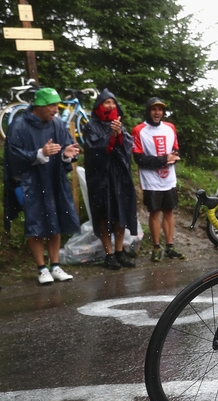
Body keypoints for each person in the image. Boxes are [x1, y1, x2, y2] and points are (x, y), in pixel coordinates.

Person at [3, 87, 80, 284]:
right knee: (35, 223)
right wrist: (40, 153)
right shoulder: (19, 125)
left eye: (56, 105)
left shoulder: (57, 124)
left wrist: (66, 154)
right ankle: (41, 268)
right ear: (39, 106)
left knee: (56, 221)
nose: (56, 109)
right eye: (52, 105)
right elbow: (13, 156)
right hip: (31, 183)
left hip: (54, 179)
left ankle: (55, 265)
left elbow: (66, 146)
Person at [82, 89, 138, 270]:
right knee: (103, 214)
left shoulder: (119, 125)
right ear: (99, 105)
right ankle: (109, 253)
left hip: (119, 178)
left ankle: (120, 251)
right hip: (100, 179)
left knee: (119, 214)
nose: (111, 106)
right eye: (107, 103)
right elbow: (93, 150)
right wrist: (111, 138)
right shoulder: (91, 126)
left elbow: (128, 149)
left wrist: (119, 136)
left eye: (113, 103)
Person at [132, 97, 186, 262]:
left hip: (168, 179)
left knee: (169, 211)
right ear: (148, 111)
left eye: (160, 110)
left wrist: (174, 157)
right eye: (154, 109)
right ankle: (156, 247)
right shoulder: (139, 130)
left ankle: (170, 245)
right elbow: (138, 158)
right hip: (151, 180)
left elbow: (175, 149)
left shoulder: (170, 128)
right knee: (154, 212)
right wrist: (163, 159)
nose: (157, 113)